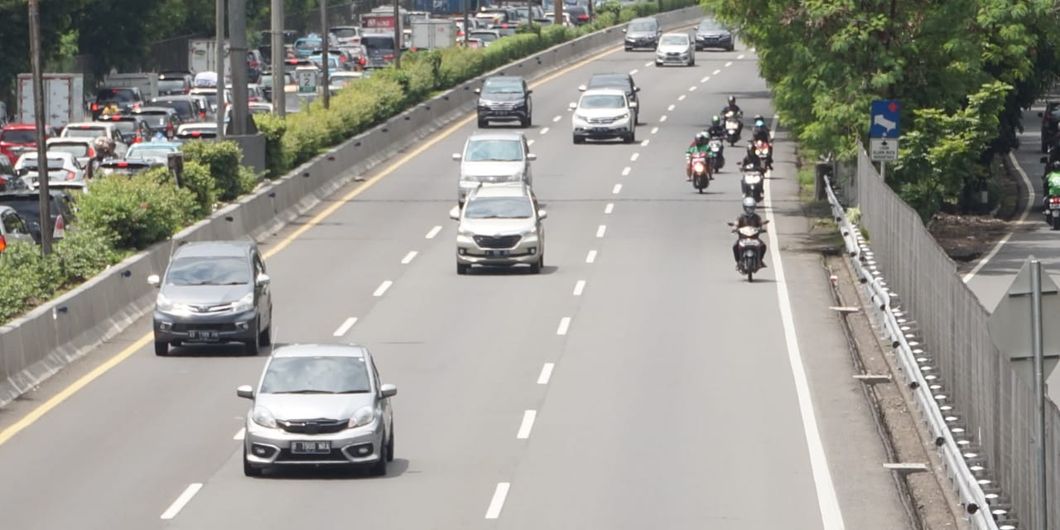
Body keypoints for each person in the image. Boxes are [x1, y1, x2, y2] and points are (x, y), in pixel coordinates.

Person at [731, 196, 767, 268]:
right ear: (744, 207)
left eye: (751, 207)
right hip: (743, 238)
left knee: (763, 246)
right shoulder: (741, 217)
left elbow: (760, 223)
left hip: (754, 238)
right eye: (748, 207)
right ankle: (738, 262)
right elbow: (736, 223)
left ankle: (760, 260)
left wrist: (762, 228)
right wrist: (735, 227)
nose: (749, 209)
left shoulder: (757, 217)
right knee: (735, 246)